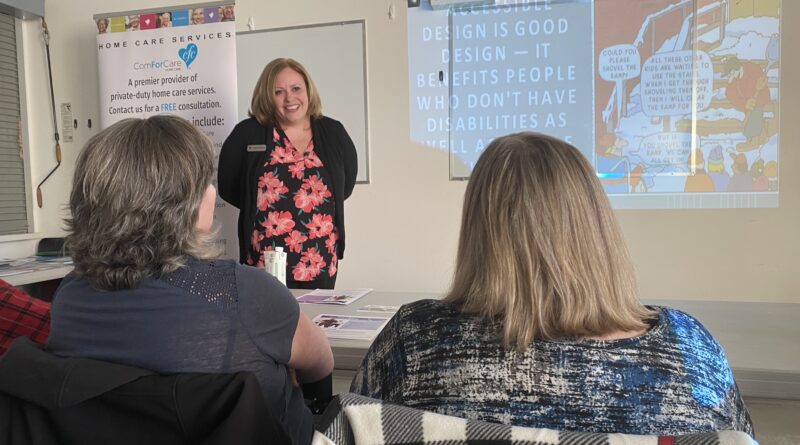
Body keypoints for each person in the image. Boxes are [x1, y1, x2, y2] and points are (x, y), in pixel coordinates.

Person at [351, 132, 753, 437]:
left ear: (479, 231)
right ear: (595, 225)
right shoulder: (691, 353)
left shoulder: (413, 342)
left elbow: (354, 429)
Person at [46, 116, 333, 445]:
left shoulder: (69, 297)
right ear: (184, 206)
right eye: (205, 182)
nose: (212, 191)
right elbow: (321, 364)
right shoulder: (245, 293)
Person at [218, 58, 357, 290]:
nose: (289, 98)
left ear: (308, 90)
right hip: (264, 264)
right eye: (278, 92)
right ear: (267, 96)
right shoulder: (247, 134)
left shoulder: (333, 132)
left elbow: (345, 185)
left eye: (296, 89)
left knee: (317, 314)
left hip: (320, 261)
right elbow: (228, 186)